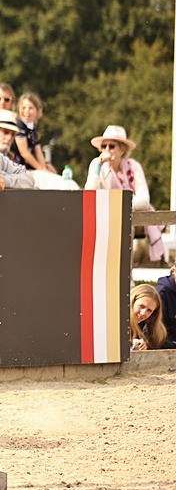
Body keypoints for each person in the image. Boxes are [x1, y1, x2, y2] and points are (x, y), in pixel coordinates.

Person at [85, 125, 164, 262]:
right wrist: (96, 166)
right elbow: (89, 193)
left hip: (131, 214)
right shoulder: (98, 166)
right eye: (104, 146)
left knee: (126, 225)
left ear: (122, 149)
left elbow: (144, 199)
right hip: (105, 215)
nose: (107, 150)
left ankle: (127, 272)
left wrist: (121, 208)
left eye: (112, 146)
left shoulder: (134, 166)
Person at [16, 93, 53, 172]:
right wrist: (41, 169)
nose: (27, 111)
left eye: (30, 108)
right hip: (18, 168)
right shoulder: (19, 126)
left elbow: (38, 151)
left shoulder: (32, 130)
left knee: (52, 171)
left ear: (37, 111)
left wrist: (44, 168)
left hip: (29, 168)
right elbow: (24, 153)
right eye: (24, 107)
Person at [128, 284, 169, 351]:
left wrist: (146, 345)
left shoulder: (151, 330)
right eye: (141, 306)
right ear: (132, 301)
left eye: (149, 310)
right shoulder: (115, 324)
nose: (143, 313)